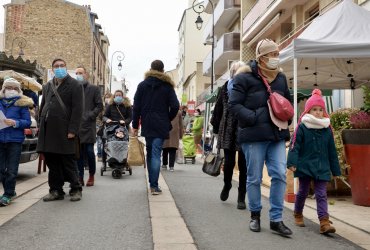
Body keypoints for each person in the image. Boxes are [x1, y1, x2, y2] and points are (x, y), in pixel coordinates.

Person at [229, 39, 293, 235]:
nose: (276, 58)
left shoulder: (281, 78)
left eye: (277, 54)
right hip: (254, 135)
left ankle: (276, 219)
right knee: (254, 177)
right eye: (272, 54)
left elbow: (288, 102)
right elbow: (234, 105)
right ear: (261, 57)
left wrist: (287, 120)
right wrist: (253, 117)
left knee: (280, 174)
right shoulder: (243, 78)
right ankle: (255, 215)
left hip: (276, 135)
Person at [287, 89, 341, 234]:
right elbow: (295, 146)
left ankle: (324, 222)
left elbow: (332, 151)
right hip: (305, 165)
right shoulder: (302, 127)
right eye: (314, 109)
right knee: (303, 191)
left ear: (324, 111)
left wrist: (336, 171)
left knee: (321, 193)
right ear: (308, 111)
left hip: (322, 166)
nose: (318, 112)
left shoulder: (327, 128)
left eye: (320, 109)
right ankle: (298, 213)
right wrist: (292, 162)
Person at [37, 58, 84, 202]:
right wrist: (40, 124)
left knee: (68, 161)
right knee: (52, 162)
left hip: (65, 130)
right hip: (48, 130)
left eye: (62, 66)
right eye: (56, 66)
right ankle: (56, 190)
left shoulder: (75, 85)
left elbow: (78, 110)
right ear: (52, 70)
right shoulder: (47, 85)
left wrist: (73, 130)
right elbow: (43, 105)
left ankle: (76, 189)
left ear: (66, 67)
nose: (59, 68)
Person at [132, 59, 179, 195]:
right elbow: (175, 106)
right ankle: (154, 185)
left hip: (147, 123)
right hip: (161, 124)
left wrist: (135, 125)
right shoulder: (167, 86)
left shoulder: (142, 85)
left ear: (150, 69)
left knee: (150, 150)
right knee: (156, 153)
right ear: (163, 71)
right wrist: (167, 118)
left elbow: (136, 107)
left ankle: (151, 184)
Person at [210, 61, 247, 210]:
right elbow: (218, 108)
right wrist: (215, 127)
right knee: (230, 163)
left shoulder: (248, 88)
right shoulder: (225, 87)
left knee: (244, 165)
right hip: (228, 128)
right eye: (236, 72)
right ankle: (227, 184)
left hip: (244, 128)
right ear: (232, 73)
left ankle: (241, 197)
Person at [0, 77, 32, 206]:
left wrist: (15, 122)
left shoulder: (22, 103)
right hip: (0, 139)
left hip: (15, 140)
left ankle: (8, 193)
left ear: (18, 90)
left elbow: (28, 122)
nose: (11, 90)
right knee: (1, 169)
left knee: (12, 170)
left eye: (14, 88)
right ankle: (10, 192)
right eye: (9, 87)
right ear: (4, 89)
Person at [75, 66, 103, 187]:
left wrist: (90, 115)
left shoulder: (94, 89)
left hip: (89, 125)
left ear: (86, 74)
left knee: (90, 152)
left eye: (80, 73)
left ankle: (91, 175)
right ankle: (80, 176)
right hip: (76, 126)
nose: (78, 75)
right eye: (76, 73)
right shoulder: (74, 88)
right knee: (79, 153)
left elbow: (99, 106)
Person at [96, 92, 112, 161]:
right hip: (101, 126)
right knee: (99, 141)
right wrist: (100, 124)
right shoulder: (101, 107)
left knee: (108, 141)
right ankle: (99, 155)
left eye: (108, 97)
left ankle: (107, 155)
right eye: (106, 97)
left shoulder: (112, 107)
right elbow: (98, 118)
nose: (107, 99)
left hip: (110, 127)